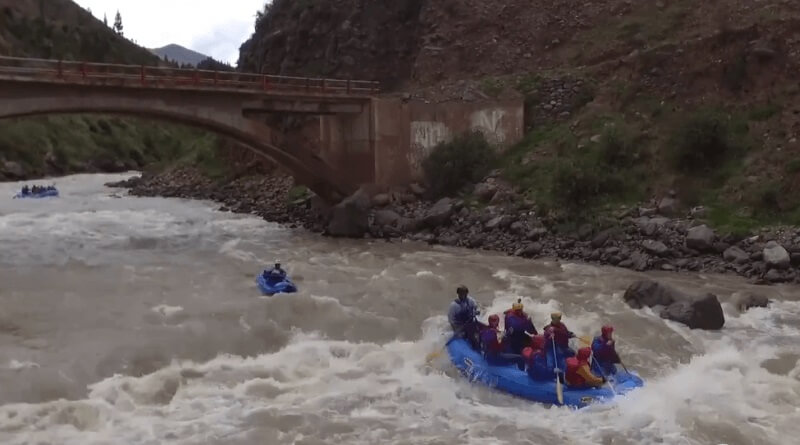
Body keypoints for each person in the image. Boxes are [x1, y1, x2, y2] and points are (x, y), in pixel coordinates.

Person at [448, 285, 482, 350]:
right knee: (464, 337)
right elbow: (451, 319)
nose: (465, 296)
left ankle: (477, 346)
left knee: (475, 336)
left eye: (465, 294)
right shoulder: (454, 306)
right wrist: (456, 328)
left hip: (470, 323)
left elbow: (476, 307)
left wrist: (477, 311)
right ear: (459, 294)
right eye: (463, 294)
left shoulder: (470, 300)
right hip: (460, 326)